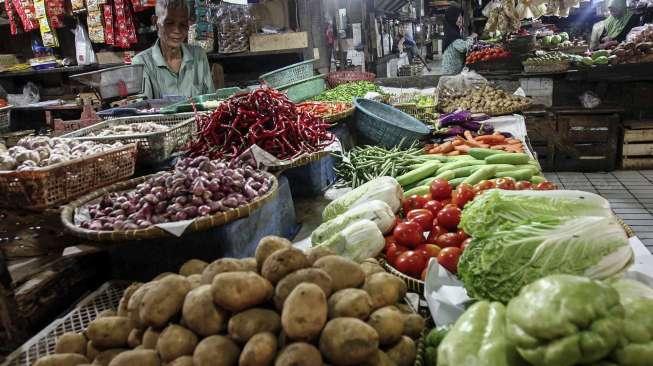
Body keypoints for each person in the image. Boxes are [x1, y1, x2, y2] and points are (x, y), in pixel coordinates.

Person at [133, 0, 214, 99]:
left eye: (183, 24)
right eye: (169, 23)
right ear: (155, 22)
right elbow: (143, 108)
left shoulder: (199, 55)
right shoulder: (142, 62)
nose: (177, 30)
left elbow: (210, 101)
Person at [441, 6, 476, 75]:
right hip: (450, 74)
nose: (461, 19)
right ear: (452, 18)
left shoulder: (452, 32)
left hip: (454, 72)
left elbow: (461, 43)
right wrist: (471, 38)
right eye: (459, 17)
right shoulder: (452, 35)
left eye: (461, 17)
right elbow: (464, 47)